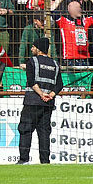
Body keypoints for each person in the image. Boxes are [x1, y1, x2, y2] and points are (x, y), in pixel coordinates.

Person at [17, 37, 63, 165]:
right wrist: (50, 95)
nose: (31, 49)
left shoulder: (32, 61)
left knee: (25, 130)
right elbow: (59, 85)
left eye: (33, 47)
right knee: (44, 133)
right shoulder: (55, 64)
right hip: (47, 104)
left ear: (38, 49)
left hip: (32, 101)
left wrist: (41, 94)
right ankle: (45, 161)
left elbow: (31, 81)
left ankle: (24, 159)